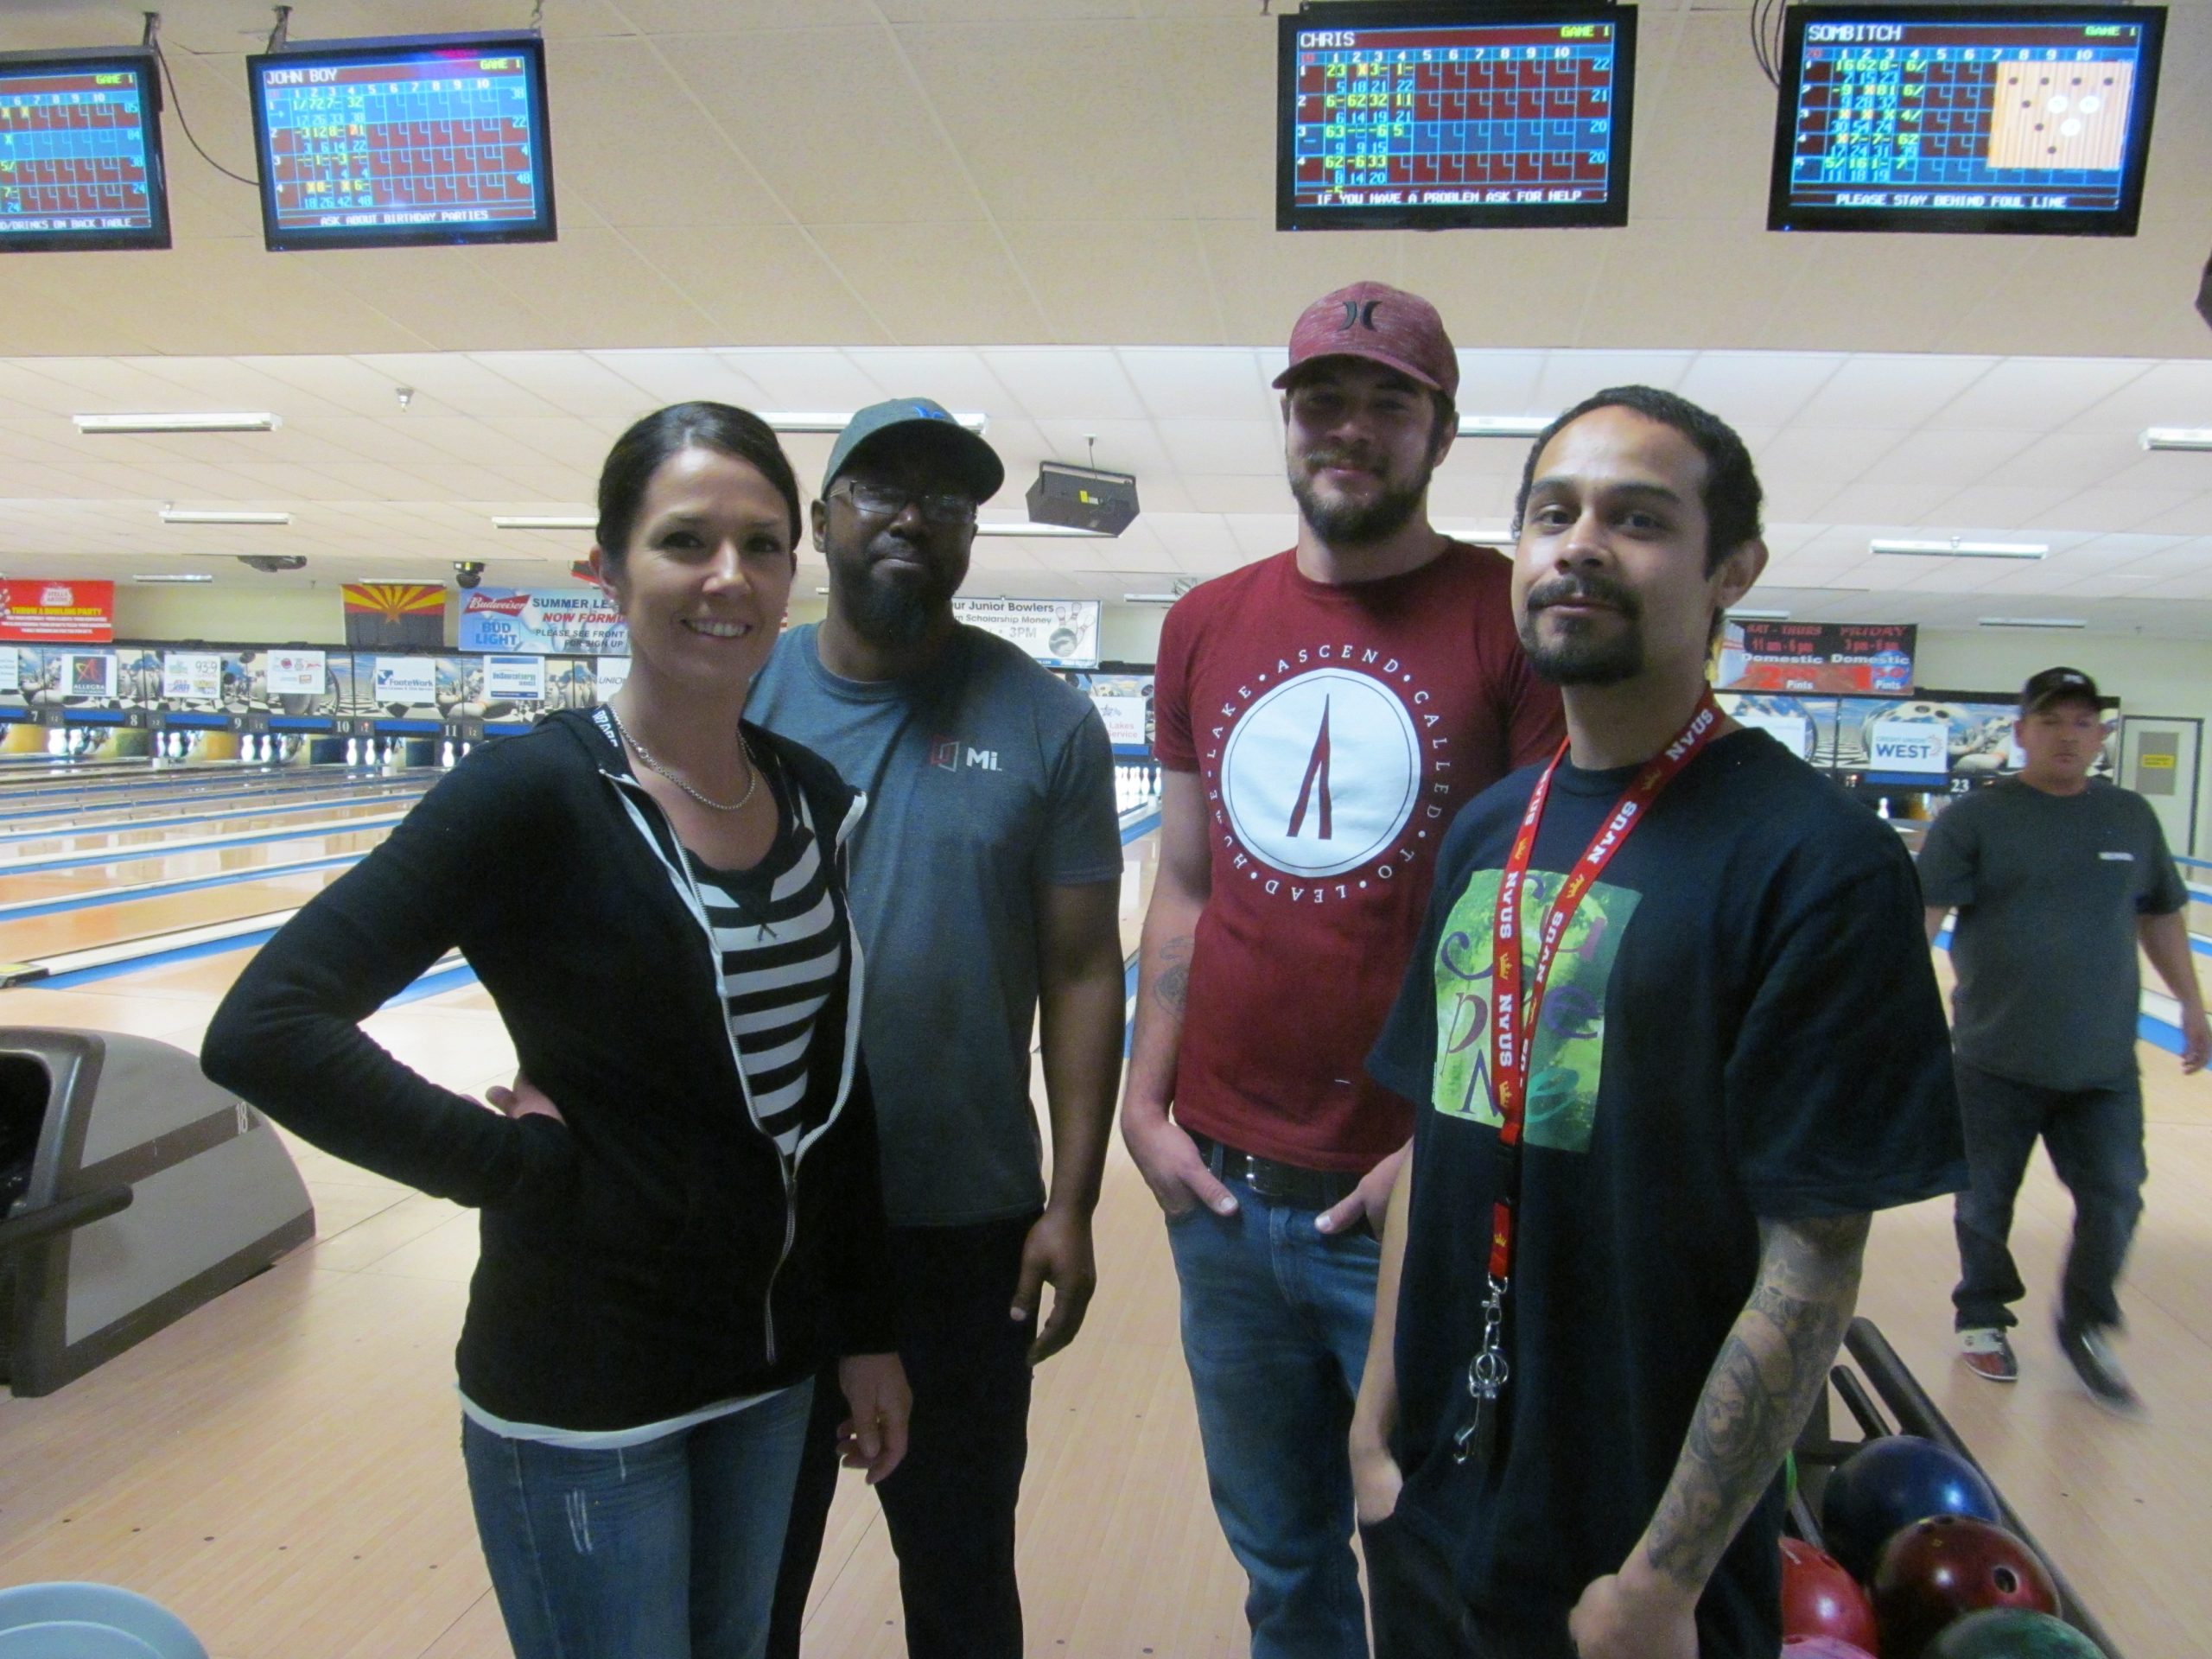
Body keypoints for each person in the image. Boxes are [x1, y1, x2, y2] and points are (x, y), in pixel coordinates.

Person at [200, 402, 911, 1659]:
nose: (728, 577)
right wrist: (515, 1170)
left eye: (761, 544)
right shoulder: (533, 793)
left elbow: (831, 1097)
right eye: (684, 540)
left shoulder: (809, 799)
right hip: (589, 1381)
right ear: (607, 571)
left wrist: (863, 1330)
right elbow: (266, 1026)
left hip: (771, 1370)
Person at [1349, 386, 1966, 1659]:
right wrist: (1373, 1430)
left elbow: (1812, 1266)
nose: (1580, 544)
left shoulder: (1819, 863)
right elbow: (1436, 1146)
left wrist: (1663, 1581)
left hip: (1629, 1569)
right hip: (1433, 1508)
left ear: (1732, 569)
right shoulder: (1490, 829)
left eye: (1637, 519)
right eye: (1552, 514)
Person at [1121, 281, 1563, 1657]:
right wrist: (1143, 1104)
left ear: (1442, 434)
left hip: (1411, 1200)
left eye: (1389, 403)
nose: (1350, 428)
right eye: (1324, 399)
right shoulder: (1205, 622)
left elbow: (1544, 920)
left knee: (1439, 1564)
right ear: (1290, 421)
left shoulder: (1510, 617)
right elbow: (1186, 879)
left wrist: (1448, 1155)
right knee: (1280, 1562)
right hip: (1221, 1193)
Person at [752, 399, 1126, 1659]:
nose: (914, 517)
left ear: (970, 534)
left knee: (962, 1575)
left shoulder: (1047, 721)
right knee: (752, 1582)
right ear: (822, 522)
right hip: (763, 1225)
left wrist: (1072, 1200)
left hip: (964, 1226)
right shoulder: (737, 691)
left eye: (948, 500)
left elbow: (1083, 968)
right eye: (879, 490)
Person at [1918, 666, 2209, 1408]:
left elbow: (2160, 914)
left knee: (2117, 1199)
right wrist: (1894, 1015)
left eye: (2083, 722)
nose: (2068, 735)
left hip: (2102, 1065)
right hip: (1993, 1058)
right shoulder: (1975, 820)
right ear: (2020, 732)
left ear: (2102, 736)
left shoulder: (2129, 817)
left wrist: (2192, 1004)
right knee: (1984, 1205)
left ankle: (2085, 1324)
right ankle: (1982, 1317)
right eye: (2051, 721)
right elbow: (1923, 919)